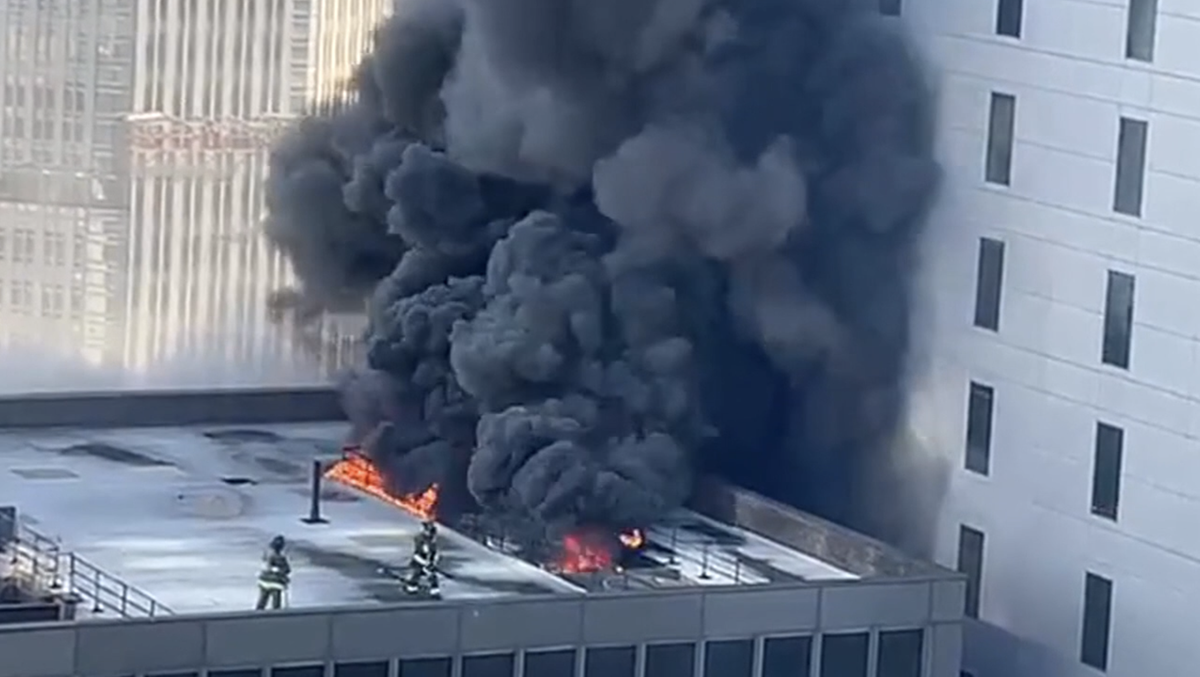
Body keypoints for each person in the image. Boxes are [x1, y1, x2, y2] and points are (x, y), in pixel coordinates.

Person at [403, 519, 441, 599]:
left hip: (428, 561)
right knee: (416, 573)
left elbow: (435, 552)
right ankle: (412, 587)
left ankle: (434, 590)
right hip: (419, 561)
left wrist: (433, 562)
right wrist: (424, 563)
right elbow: (417, 554)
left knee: (432, 575)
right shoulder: (419, 539)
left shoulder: (432, 540)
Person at [255, 535, 291, 610]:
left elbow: (265, 567)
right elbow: (287, 570)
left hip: (264, 581)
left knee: (262, 602)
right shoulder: (280, 557)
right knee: (276, 604)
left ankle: (257, 614)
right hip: (276, 583)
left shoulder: (266, 555)